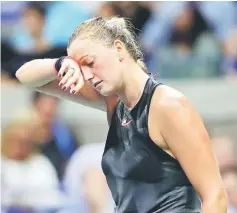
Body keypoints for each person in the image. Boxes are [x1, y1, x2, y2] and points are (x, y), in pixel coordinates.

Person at [16, 16, 227, 213]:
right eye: (81, 68)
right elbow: (25, 76)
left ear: (118, 48)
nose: (87, 75)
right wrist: (61, 64)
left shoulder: (168, 105)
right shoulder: (113, 100)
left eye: (90, 62)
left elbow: (215, 196)